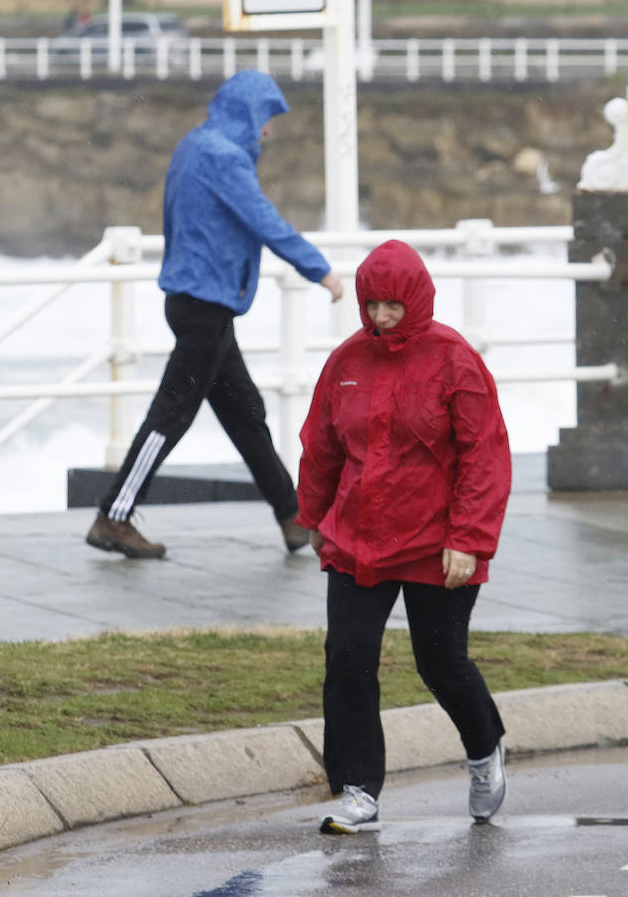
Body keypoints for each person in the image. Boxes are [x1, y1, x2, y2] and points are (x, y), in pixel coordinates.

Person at [296, 240, 512, 833]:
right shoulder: (345, 362)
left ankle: (484, 747)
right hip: (356, 538)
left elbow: (484, 455)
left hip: (436, 543)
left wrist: (468, 538)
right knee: (347, 661)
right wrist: (313, 519)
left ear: (416, 298)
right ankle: (359, 792)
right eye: (371, 305)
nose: (381, 316)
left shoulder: (454, 360)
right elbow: (321, 444)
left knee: (440, 662)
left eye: (392, 305)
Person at [86, 69, 343, 560]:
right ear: (248, 115)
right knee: (171, 415)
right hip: (204, 307)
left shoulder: (195, 145)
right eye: (267, 118)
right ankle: (113, 516)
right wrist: (321, 272)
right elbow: (264, 220)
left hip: (199, 303)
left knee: (247, 415)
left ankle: (293, 517)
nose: (268, 130)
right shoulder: (223, 158)